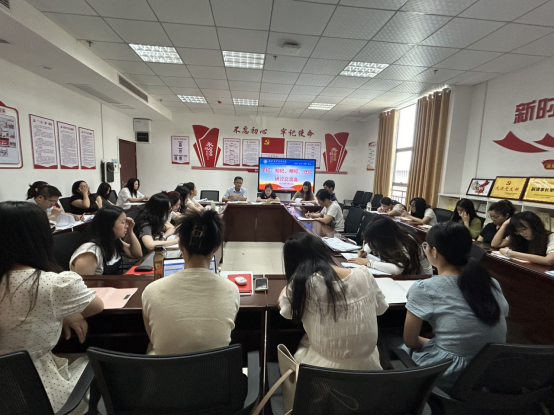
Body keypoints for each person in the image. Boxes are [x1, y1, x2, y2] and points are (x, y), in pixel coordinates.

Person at [0, 201, 104, 413]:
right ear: (40, 237)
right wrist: (66, 312)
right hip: (35, 391)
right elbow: (97, 306)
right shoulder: (55, 284)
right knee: (89, 361)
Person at [403, 222, 509, 392]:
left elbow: (410, 341)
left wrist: (440, 344)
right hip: (489, 371)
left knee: (393, 344)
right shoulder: (490, 283)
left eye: (426, 245)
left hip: (451, 373)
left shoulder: (424, 288)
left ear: (434, 251)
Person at [279, 232, 388, 370]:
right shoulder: (364, 274)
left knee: (302, 343)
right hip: (369, 373)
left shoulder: (301, 284)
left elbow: (287, 312)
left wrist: (290, 283)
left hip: (322, 374)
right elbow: (381, 309)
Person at [142, 210, 239, 355]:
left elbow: (153, 338)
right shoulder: (231, 290)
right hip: (214, 369)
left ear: (180, 245)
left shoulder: (151, 291)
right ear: (216, 247)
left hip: (166, 369)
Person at [70, 206, 142, 275]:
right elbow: (84, 281)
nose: (126, 225)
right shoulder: (89, 253)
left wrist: (130, 231)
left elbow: (136, 254)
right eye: (123, 222)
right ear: (109, 225)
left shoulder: (112, 240)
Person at [350, 216, 433, 275]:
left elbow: (398, 269)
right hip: (406, 275)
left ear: (383, 236)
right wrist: (365, 251)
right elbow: (369, 244)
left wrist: (369, 263)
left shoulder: (407, 242)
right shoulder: (392, 237)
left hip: (420, 278)